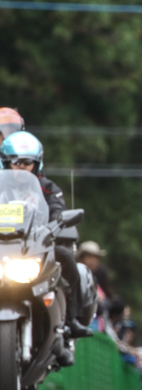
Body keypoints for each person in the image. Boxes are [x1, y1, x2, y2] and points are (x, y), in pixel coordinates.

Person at [0, 132, 94, 347]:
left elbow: (57, 209)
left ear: (37, 163)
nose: (21, 167)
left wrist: (57, 222)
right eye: (16, 162)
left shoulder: (47, 187)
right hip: (3, 247)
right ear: (6, 162)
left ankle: (71, 320)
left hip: (36, 246)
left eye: (27, 162)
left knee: (67, 258)